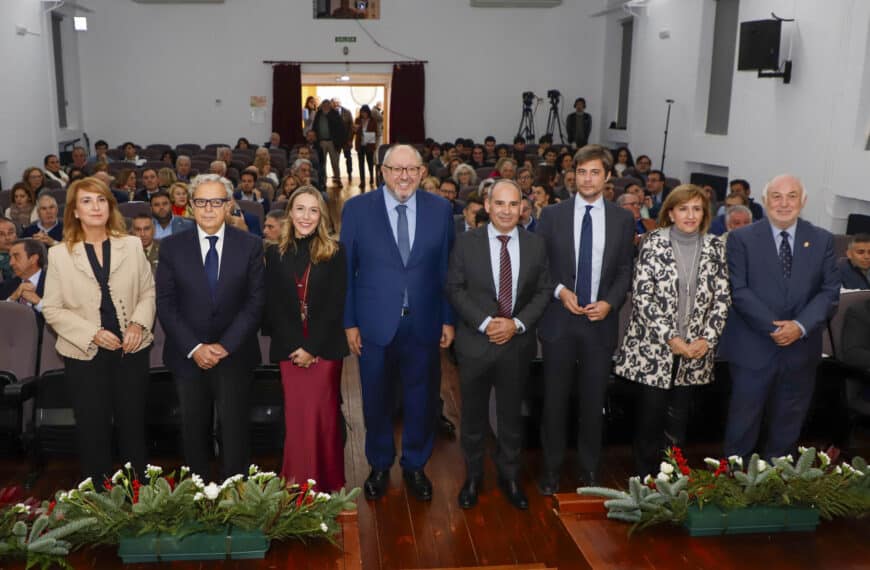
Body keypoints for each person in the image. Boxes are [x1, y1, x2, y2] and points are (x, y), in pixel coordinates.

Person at [340, 144, 455, 502]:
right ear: (383, 172)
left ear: (422, 172)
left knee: (421, 398)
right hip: (374, 322)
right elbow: (347, 271)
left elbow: (447, 271)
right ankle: (378, 464)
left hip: (424, 321)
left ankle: (415, 466)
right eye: (396, 169)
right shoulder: (357, 209)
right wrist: (350, 322)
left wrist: (448, 319)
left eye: (411, 169)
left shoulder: (441, 209)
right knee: (375, 397)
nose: (404, 176)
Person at [42, 177, 155, 483]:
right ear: (75, 211)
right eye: (87, 201)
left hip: (130, 351)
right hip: (84, 354)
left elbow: (148, 292)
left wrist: (137, 323)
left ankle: (141, 498)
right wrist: (92, 332)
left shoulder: (132, 246)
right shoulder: (59, 255)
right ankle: (101, 507)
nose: (96, 207)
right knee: (93, 430)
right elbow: (51, 308)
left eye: (101, 200)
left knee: (133, 428)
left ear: (110, 205)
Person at [536, 145, 635, 494]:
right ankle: (550, 471)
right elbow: (540, 267)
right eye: (581, 172)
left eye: (595, 172)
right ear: (572, 175)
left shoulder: (623, 219)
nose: (587, 179)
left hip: (600, 323)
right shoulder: (551, 216)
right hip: (559, 321)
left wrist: (610, 302)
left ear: (608, 177)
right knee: (555, 401)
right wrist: (561, 291)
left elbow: (625, 270)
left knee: (594, 404)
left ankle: (589, 471)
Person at [446, 180, 551, 510]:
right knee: (473, 418)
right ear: (487, 206)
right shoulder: (465, 243)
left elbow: (543, 291)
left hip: (516, 346)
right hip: (476, 344)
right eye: (500, 203)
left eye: (513, 204)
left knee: (510, 417)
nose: (507, 210)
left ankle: (509, 477)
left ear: (523, 208)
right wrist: (486, 322)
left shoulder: (536, 245)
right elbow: (455, 288)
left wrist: (516, 324)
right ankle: (474, 476)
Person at [719, 174, 840, 461]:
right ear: (764, 201)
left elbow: (829, 292)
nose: (784, 203)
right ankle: (734, 486)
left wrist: (799, 327)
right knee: (742, 424)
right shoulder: (741, 238)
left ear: (803, 201)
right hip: (753, 347)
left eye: (792, 196)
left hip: (801, 348)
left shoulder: (821, 239)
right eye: (776, 196)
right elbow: (738, 289)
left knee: (788, 424)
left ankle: (778, 483)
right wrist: (774, 327)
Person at [614, 185, 730, 477]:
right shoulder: (652, 241)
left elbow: (722, 298)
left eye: (697, 209)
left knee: (678, 423)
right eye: (683, 209)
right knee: (649, 422)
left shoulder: (716, 246)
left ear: (705, 213)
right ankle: (644, 481)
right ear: (670, 212)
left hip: (695, 351)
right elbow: (643, 296)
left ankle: (671, 480)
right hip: (654, 349)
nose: (690, 215)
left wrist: (707, 339)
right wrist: (671, 338)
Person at [156, 174, 265, 481]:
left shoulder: (251, 246)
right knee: (193, 432)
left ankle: (236, 495)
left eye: (216, 202)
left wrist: (225, 345)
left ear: (228, 205)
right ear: (191, 206)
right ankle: (197, 496)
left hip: (236, 354)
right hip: (187, 356)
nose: (208, 209)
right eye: (201, 202)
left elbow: (255, 303)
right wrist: (195, 347)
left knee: (234, 431)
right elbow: (166, 304)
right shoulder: (171, 248)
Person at [264, 186, 347, 490]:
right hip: (290, 349)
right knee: (297, 420)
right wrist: (295, 347)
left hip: (324, 349)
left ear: (322, 216)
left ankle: (326, 485)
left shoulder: (336, 252)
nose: (306, 216)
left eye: (313, 210)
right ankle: (297, 486)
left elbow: (336, 305)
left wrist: (311, 348)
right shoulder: (274, 253)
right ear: (290, 214)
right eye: (300, 209)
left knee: (322, 418)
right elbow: (273, 306)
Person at [0, 239, 47, 323]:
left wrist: (39, 302)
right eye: (10, 257)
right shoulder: (6, 285)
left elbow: (64, 316)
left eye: (16, 256)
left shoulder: (55, 283)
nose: (11, 263)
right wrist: (12, 298)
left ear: (33, 258)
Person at [312, 99, 347, 188]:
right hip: (321, 142)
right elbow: (314, 126)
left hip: (332, 142)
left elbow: (340, 126)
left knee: (334, 162)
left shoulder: (334, 114)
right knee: (322, 163)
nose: (326, 106)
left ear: (330, 106)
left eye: (328, 105)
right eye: (324, 105)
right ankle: (323, 181)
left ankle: (338, 179)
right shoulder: (318, 114)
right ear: (322, 105)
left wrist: (329, 115)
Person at [354, 104, 380, 190]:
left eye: (365, 112)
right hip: (360, 144)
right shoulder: (358, 120)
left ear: (368, 113)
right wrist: (355, 129)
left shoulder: (373, 121)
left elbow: (376, 132)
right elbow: (354, 131)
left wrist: (375, 142)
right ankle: (362, 181)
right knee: (360, 164)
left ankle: (372, 177)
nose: (363, 114)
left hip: (369, 144)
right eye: (362, 112)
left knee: (370, 163)